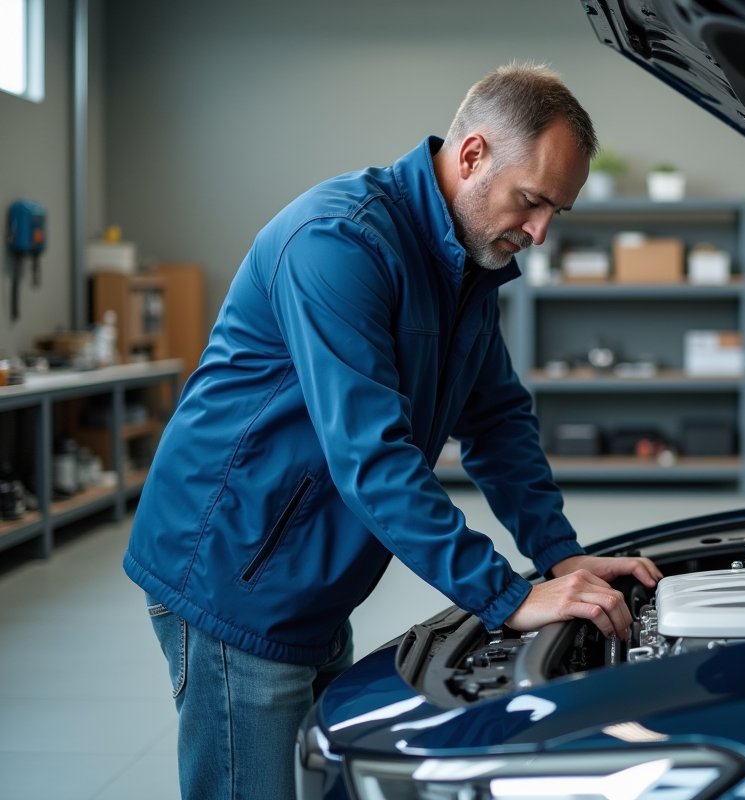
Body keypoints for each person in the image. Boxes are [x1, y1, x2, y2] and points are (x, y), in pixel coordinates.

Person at [124, 62, 662, 800]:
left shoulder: (468, 266)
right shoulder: (339, 243)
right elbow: (372, 459)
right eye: (533, 202)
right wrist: (504, 597)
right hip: (233, 570)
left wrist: (559, 557)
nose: (539, 233)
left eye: (554, 214)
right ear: (473, 156)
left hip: (307, 571)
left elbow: (498, 421)